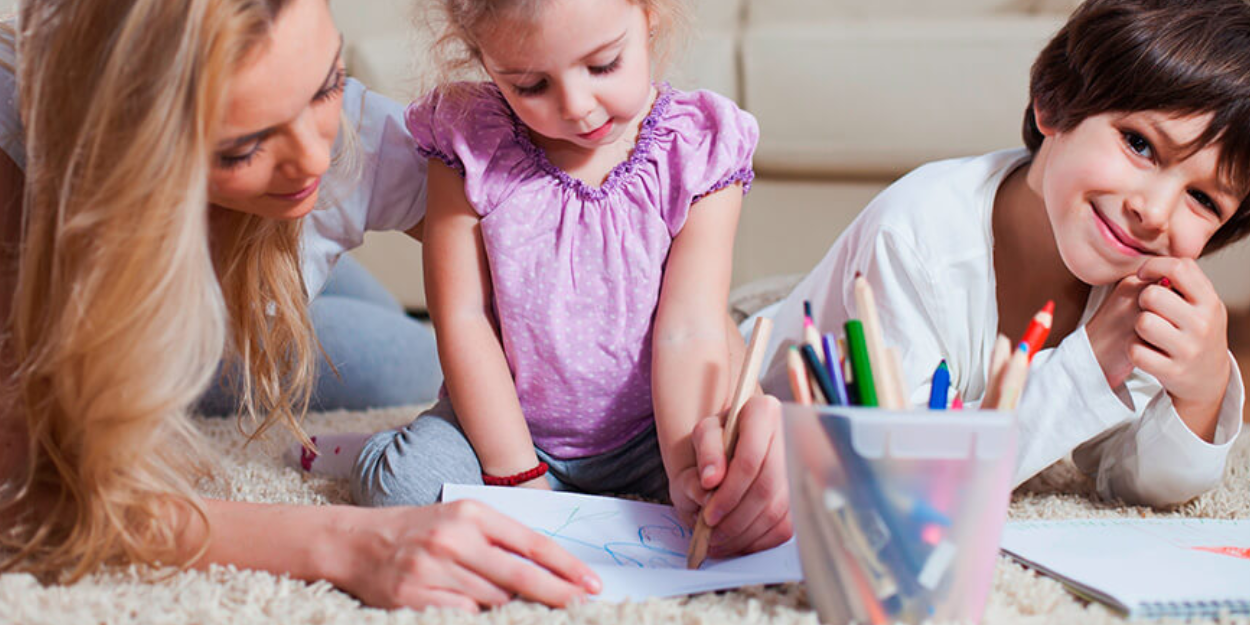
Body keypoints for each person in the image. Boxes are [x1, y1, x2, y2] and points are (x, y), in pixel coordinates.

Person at [0, 0, 601, 611]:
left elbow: (562, 247)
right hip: (163, 312)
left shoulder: (339, 144)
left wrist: (698, 391)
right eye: (242, 147)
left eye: (327, 85)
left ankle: (297, 263)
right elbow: (32, 498)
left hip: (262, 278)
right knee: (390, 363)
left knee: (420, 355)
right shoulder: (26, 200)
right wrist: (347, 543)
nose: (313, 159)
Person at [303, 0, 792, 559]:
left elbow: (689, 327)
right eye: (531, 84)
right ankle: (373, 446)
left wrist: (689, 472)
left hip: (651, 431)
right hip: (504, 425)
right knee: (401, 488)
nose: (578, 108)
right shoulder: (469, 139)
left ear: (649, 14)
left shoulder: (697, 146)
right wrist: (519, 480)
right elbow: (462, 318)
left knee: (748, 501)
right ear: (484, 61)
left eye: (604, 65)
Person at [758, 0, 1250, 507]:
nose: (1154, 212)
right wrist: (1090, 363)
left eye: (1203, 199)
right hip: (755, 373)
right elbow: (902, 477)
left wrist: (1202, 392)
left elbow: (1131, 479)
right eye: (1139, 144)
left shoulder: (1140, 282)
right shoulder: (915, 232)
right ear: (1054, 103)